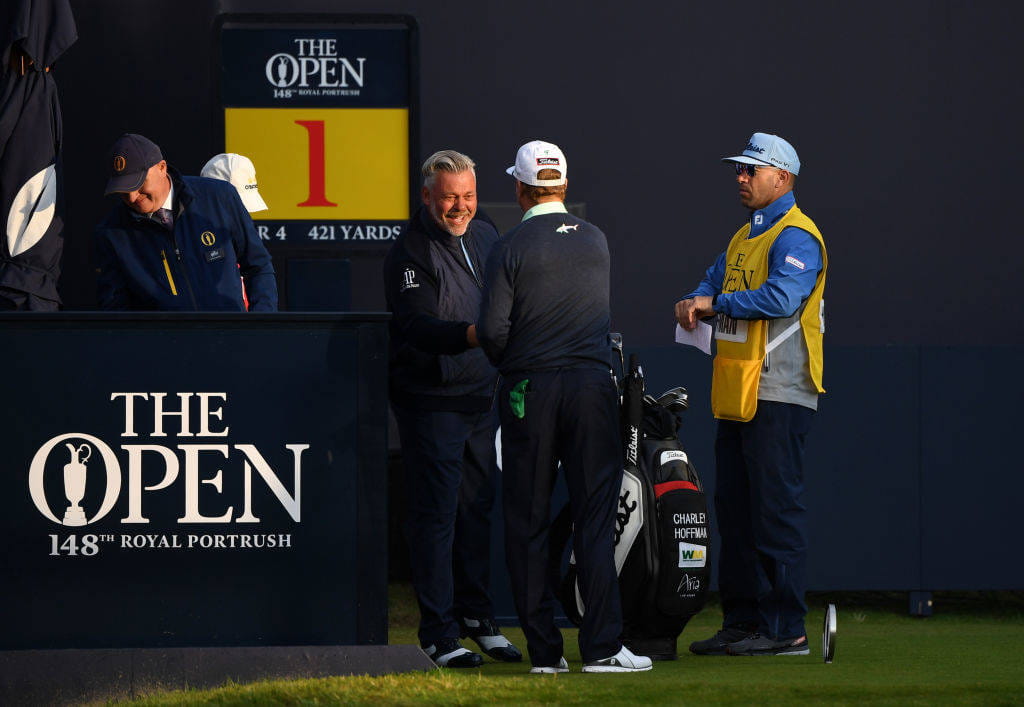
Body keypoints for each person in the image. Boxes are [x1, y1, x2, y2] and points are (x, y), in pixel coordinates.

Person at [477, 140, 652, 674]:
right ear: (564, 185)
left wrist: (521, 358)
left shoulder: (509, 246)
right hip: (593, 391)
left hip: (530, 391)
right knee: (593, 521)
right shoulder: (595, 240)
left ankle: (545, 655)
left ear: (520, 188)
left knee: (527, 519)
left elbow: (491, 333)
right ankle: (602, 648)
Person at [676, 132, 827, 657]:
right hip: (740, 392)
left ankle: (787, 630)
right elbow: (711, 281)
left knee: (775, 512)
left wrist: (713, 304)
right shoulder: (746, 236)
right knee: (736, 511)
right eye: (737, 169)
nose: (739, 177)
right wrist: (696, 299)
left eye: (750, 169)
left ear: (781, 177)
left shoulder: (798, 235)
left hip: (781, 392)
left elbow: (783, 296)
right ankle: (743, 623)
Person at [383, 149, 521, 668]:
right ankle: (438, 633)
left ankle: (478, 619)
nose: (459, 207)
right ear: (427, 196)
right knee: (435, 517)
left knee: (476, 510)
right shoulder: (408, 252)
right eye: (449, 198)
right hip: (430, 402)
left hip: (481, 396)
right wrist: (476, 335)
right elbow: (417, 328)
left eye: (467, 196)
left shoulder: (486, 233)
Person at [93, 133, 277, 311]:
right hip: (162, 342)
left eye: (139, 184)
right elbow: (116, 309)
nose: (132, 197)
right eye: (124, 190)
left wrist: (260, 327)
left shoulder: (219, 196)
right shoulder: (111, 232)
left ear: (162, 167)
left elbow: (258, 265)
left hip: (229, 337)